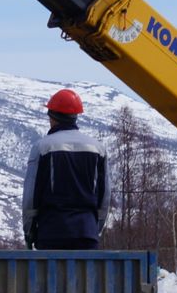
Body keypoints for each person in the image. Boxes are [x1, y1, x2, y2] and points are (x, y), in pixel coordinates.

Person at [21, 89, 110, 250]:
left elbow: (30, 198)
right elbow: (104, 198)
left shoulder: (42, 147)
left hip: (51, 234)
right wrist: (94, 230)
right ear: (76, 116)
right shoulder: (98, 149)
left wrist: (29, 232)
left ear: (52, 117)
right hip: (87, 234)